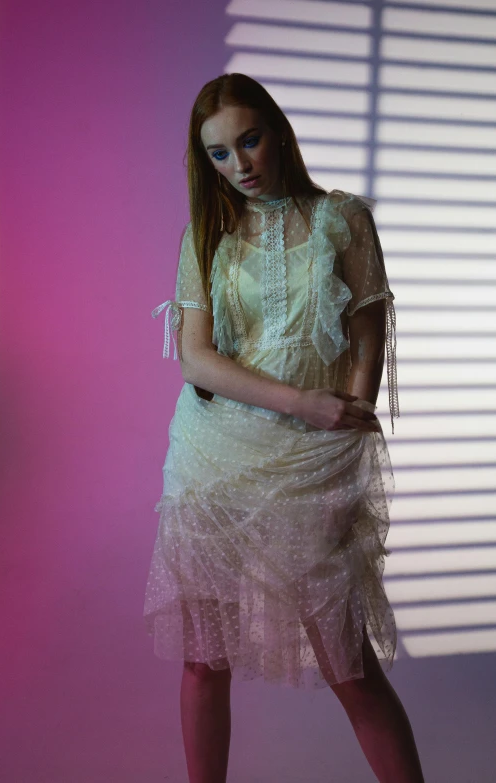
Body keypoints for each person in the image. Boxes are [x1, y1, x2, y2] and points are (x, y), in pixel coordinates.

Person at [145, 73, 425, 783]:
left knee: (349, 665)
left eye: (249, 139)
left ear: (278, 131)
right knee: (204, 659)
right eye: (218, 154)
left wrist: (344, 434)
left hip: (312, 464)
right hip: (214, 457)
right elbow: (197, 359)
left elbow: (367, 333)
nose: (239, 164)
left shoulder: (340, 218)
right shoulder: (207, 234)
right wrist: (302, 403)